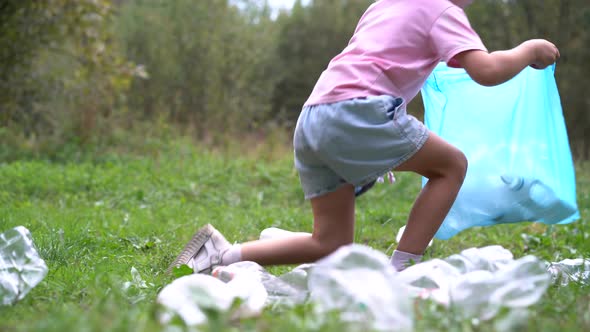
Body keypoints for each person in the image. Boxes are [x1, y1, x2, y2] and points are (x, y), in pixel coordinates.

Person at [168, 0, 560, 274]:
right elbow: (487, 71)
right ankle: (403, 270)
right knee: (452, 166)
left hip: (314, 118)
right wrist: (529, 50)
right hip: (358, 114)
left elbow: (382, 60)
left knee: (331, 242)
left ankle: (220, 254)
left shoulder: (383, 5)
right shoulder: (443, 9)